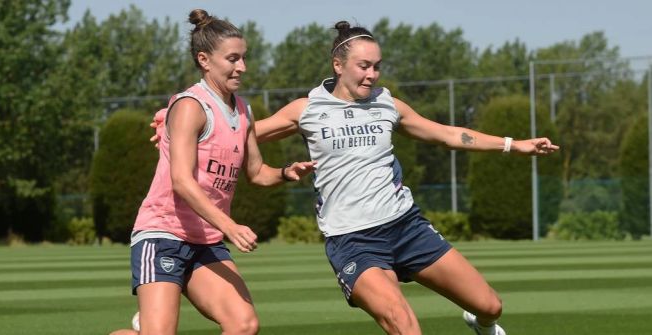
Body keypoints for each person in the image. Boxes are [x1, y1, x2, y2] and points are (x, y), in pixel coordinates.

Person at [152, 21, 558, 335]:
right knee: (405, 324)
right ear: (339, 65)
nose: (372, 75)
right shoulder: (307, 108)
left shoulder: (387, 104)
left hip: (407, 226)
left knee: (491, 305)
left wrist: (513, 144)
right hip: (354, 242)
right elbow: (238, 130)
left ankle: (481, 325)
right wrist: (174, 125)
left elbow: (449, 134)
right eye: (364, 66)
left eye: (377, 66)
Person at [110, 9, 315, 335]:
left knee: (244, 324)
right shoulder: (191, 107)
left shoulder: (244, 109)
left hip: (205, 241)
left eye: (244, 58)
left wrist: (286, 172)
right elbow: (181, 181)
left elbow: (257, 171)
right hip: (163, 234)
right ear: (204, 60)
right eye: (233, 59)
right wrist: (229, 226)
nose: (242, 67)